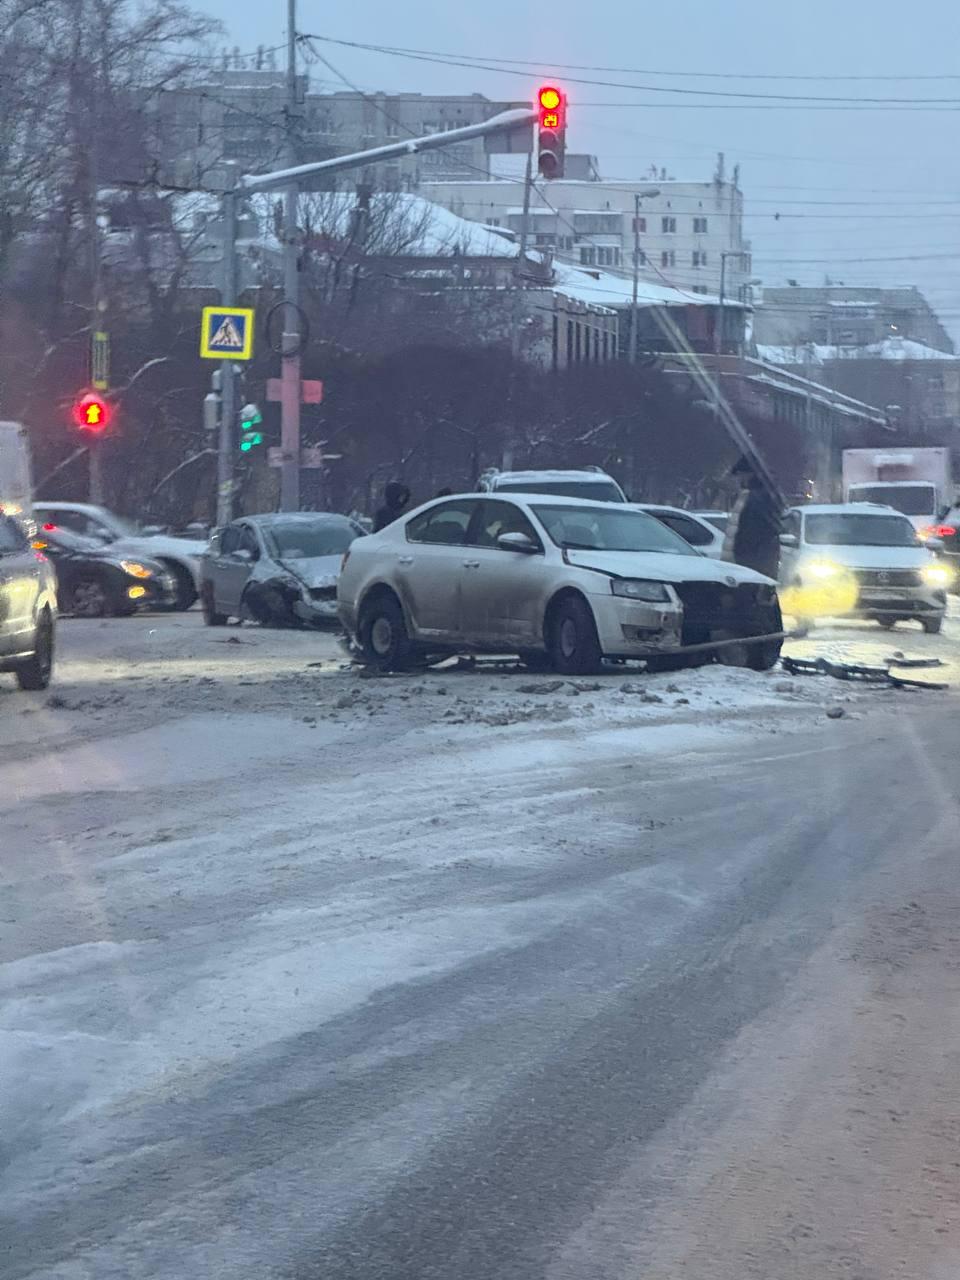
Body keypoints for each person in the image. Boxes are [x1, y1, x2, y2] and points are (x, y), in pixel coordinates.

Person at [722, 456, 782, 580]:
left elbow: (750, 533)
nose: (738, 479)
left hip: (749, 565)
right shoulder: (753, 495)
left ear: (749, 474)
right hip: (748, 564)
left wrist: (742, 559)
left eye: (740, 475)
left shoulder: (756, 498)